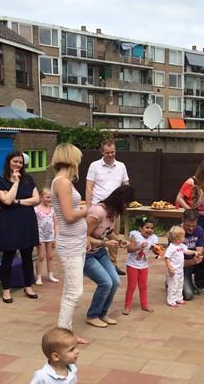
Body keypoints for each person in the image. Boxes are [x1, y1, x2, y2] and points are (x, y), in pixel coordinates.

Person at [51, 144, 88, 342]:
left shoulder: (65, 181)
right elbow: (69, 216)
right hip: (70, 243)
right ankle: (63, 335)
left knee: (70, 289)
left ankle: (64, 330)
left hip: (77, 241)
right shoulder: (62, 182)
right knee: (75, 291)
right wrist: (86, 210)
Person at [84, 185, 135, 327]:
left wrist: (119, 240)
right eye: (127, 203)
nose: (127, 207)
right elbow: (83, 236)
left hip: (99, 251)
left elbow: (108, 231)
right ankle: (92, 315)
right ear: (121, 200)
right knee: (105, 283)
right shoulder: (98, 212)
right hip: (86, 254)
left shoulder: (114, 213)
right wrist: (104, 243)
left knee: (115, 281)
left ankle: (102, 313)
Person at [0, 150, 40, 304]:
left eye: (20, 162)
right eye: (15, 161)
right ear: (8, 162)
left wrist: (19, 202)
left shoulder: (28, 179)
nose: (18, 165)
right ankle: (6, 289)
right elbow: (7, 201)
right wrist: (15, 182)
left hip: (27, 220)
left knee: (27, 255)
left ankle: (28, 286)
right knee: (8, 255)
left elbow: (37, 199)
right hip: (9, 221)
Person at [85, 140, 129, 275]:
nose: (110, 155)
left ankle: (112, 263)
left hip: (115, 208)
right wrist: (88, 207)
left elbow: (126, 185)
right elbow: (89, 186)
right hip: (98, 208)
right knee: (92, 234)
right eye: (107, 152)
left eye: (113, 152)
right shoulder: (94, 165)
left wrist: (125, 201)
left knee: (113, 234)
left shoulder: (121, 166)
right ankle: (90, 260)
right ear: (102, 152)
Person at [123, 216, 160, 314]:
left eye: (152, 228)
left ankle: (144, 304)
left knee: (143, 286)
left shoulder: (153, 238)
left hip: (144, 265)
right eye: (147, 227)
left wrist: (157, 251)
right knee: (131, 286)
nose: (149, 230)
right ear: (140, 228)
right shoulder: (134, 235)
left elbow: (154, 250)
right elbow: (129, 249)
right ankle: (127, 306)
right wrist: (140, 247)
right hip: (132, 265)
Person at [180, 209, 204, 300]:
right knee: (188, 295)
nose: (191, 229)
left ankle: (200, 284)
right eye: (188, 225)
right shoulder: (176, 232)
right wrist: (192, 261)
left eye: (193, 226)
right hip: (182, 266)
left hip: (194, 262)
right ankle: (171, 281)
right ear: (183, 220)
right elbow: (174, 261)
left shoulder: (199, 230)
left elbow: (200, 255)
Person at [176, 158, 204, 239]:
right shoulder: (191, 182)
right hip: (196, 218)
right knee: (195, 241)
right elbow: (179, 198)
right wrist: (190, 210)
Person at [165, 225, 197, 307]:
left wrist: (194, 252)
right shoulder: (171, 247)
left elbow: (187, 251)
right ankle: (171, 300)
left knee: (180, 285)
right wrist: (170, 268)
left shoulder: (181, 246)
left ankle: (179, 298)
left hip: (180, 270)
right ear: (177, 239)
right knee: (173, 286)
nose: (184, 238)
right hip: (174, 271)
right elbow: (167, 258)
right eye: (183, 237)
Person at [35, 188, 59, 286]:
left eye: (51, 197)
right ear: (41, 197)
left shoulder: (53, 210)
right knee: (41, 256)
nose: (50, 199)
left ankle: (50, 275)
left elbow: (56, 224)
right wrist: (35, 237)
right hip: (40, 236)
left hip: (50, 236)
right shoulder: (36, 210)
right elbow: (33, 224)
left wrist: (56, 237)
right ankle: (38, 277)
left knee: (50, 256)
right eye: (47, 197)